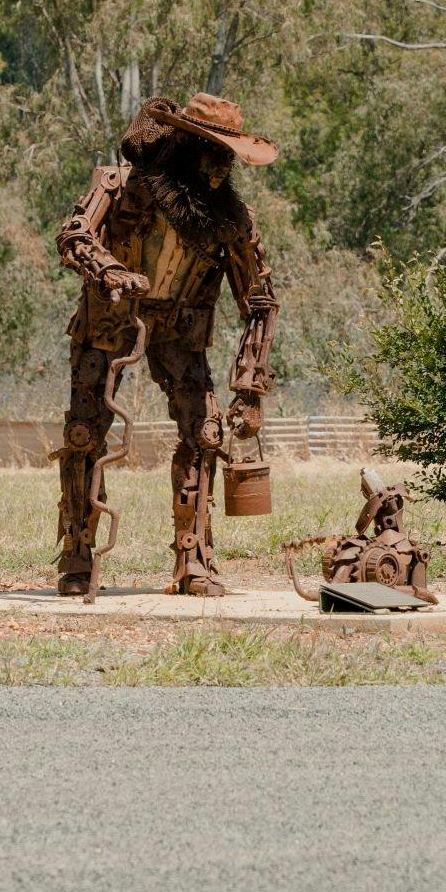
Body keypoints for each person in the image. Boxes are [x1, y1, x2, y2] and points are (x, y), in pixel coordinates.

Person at [54, 93, 280, 598]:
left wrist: (250, 386)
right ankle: (76, 554)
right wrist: (110, 270)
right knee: (83, 434)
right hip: (109, 322)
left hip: (181, 331)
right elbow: (74, 237)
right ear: (180, 146)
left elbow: (261, 300)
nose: (218, 166)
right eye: (208, 150)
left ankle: (194, 558)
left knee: (205, 432)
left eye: (225, 154)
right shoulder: (117, 186)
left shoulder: (232, 219)